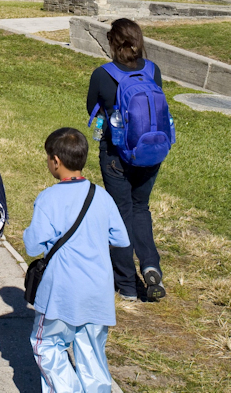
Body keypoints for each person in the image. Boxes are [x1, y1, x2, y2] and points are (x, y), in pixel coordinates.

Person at [24, 128, 129, 393]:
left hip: (61, 293)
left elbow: (32, 245)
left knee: (47, 346)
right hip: (98, 291)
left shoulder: (48, 199)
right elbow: (120, 238)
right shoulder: (102, 196)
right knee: (92, 351)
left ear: (56, 161)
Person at [87, 18, 167, 302]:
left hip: (116, 154)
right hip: (150, 152)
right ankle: (150, 266)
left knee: (121, 214)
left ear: (113, 43)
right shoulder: (152, 70)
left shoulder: (103, 74)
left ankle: (127, 286)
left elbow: (92, 109)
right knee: (141, 209)